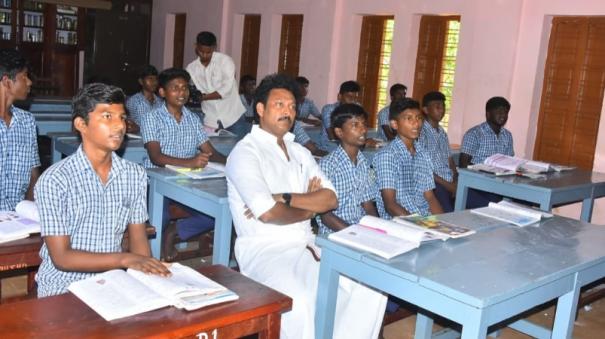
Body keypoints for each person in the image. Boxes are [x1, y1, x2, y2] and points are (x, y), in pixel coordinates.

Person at [226, 73, 386, 339]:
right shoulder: (245, 153)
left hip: (308, 244)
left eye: (292, 106)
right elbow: (268, 213)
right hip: (267, 251)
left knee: (368, 285)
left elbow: (330, 199)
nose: (287, 111)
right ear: (261, 109)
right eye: (279, 105)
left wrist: (285, 197)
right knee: (299, 301)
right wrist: (310, 209)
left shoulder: (300, 152)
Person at [35, 83, 170, 297]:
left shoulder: (134, 174)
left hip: (112, 282)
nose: (119, 126)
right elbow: (62, 257)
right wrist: (125, 259)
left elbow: (138, 241)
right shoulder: (55, 179)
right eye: (107, 117)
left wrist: (148, 275)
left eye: (122, 117)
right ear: (81, 124)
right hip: (64, 287)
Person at [141, 68, 226, 261]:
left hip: (186, 181)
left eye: (185, 88)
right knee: (159, 216)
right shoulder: (151, 118)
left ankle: (174, 232)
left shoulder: (193, 119)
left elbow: (209, 151)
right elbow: (156, 157)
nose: (182, 92)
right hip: (154, 182)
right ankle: (154, 255)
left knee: (213, 213)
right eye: (175, 88)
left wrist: (234, 162)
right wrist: (190, 161)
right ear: (162, 92)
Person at [373, 98, 444, 218]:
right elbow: (390, 205)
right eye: (409, 118)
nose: (416, 123)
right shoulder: (387, 156)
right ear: (395, 124)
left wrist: (443, 224)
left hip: (424, 220)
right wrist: (420, 225)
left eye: (419, 118)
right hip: (399, 223)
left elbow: (430, 197)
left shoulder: (423, 154)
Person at [317, 103, 378, 234]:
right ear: (339, 132)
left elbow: (368, 205)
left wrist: (377, 231)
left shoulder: (363, 162)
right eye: (355, 125)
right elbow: (325, 216)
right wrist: (354, 234)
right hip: (336, 232)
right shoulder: (328, 165)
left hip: (360, 229)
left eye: (364, 124)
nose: (363, 130)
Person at [186, 31, 248, 137]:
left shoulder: (225, 61)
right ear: (196, 46)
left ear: (215, 47)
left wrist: (203, 97)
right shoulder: (191, 68)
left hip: (233, 117)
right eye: (201, 51)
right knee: (214, 151)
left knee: (238, 150)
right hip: (210, 120)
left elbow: (226, 90)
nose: (204, 55)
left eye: (208, 52)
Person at [0, 49, 40, 211]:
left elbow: (34, 174)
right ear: (7, 81)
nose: (29, 82)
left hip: (19, 215)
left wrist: (25, 212)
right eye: (24, 76)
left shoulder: (27, 121)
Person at [458, 96, 513, 208]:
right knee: (496, 208)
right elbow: (463, 166)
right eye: (499, 111)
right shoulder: (474, 134)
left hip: (499, 186)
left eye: (505, 112)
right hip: (476, 186)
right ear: (488, 114)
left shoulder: (507, 135)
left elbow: (509, 163)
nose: (503, 115)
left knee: (522, 203)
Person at [418, 91, 457, 212]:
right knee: (448, 213)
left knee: (477, 204)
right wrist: (449, 186)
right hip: (434, 183)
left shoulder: (442, 132)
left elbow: (450, 160)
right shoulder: (421, 133)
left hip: (449, 181)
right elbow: (423, 169)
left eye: (443, 107)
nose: (442, 110)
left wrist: (455, 180)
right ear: (425, 110)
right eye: (437, 107)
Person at [124, 64, 162, 132]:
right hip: (137, 140)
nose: (154, 82)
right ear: (141, 81)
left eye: (156, 79)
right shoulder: (133, 101)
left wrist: (139, 128)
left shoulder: (160, 102)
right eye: (150, 78)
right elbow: (126, 124)